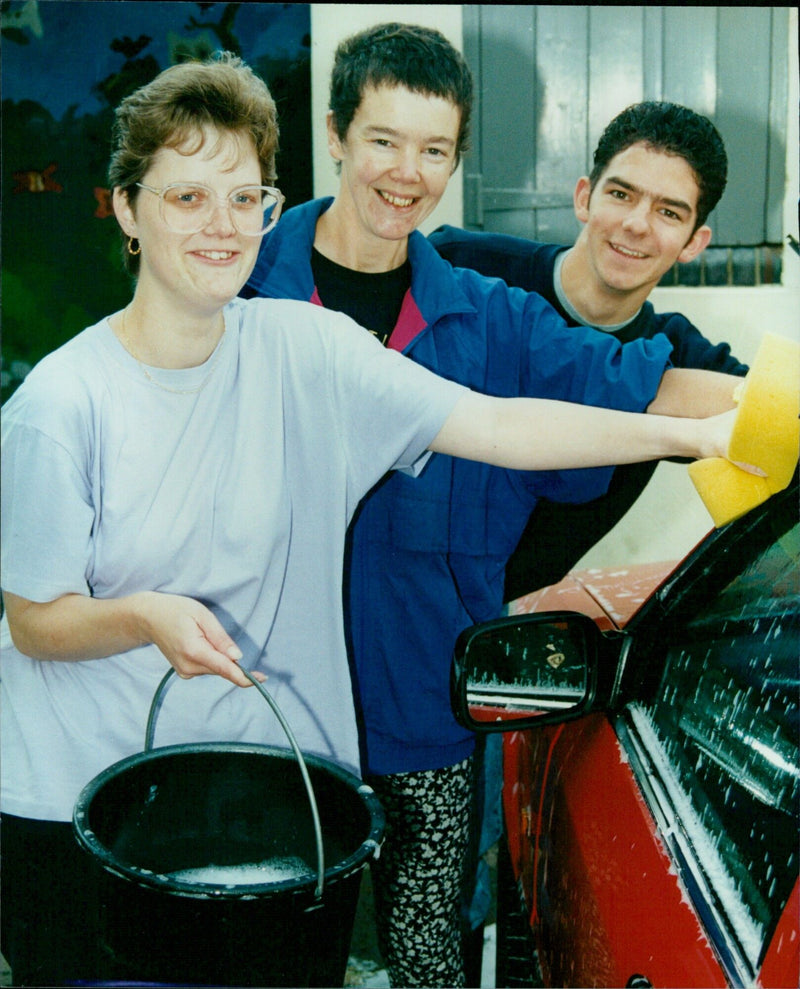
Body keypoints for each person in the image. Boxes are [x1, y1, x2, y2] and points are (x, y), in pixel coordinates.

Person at [0, 52, 746, 989]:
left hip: (275, 780)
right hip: (89, 795)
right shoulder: (64, 404)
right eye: (187, 198)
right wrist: (143, 615)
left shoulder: (307, 345)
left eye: (243, 198)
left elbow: (499, 422)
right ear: (127, 208)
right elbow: (33, 618)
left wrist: (714, 435)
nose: (221, 226)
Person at [242, 25, 744, 988]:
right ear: (338, 134)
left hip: (424, 712)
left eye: (434, 150)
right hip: (265, 703)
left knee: (429, 958)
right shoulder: (245, 280)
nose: (407, 171)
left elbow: (647, 382)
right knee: (275, 952)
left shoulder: (489, 313)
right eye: (384, 140)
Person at [430, 100, 749, 601]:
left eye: (669, 212)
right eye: (622, 194)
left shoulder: (681, 359)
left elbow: (774, 412)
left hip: (486, 620)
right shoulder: (462, 266)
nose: (637, 224)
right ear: (584, 197)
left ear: (694, 242)